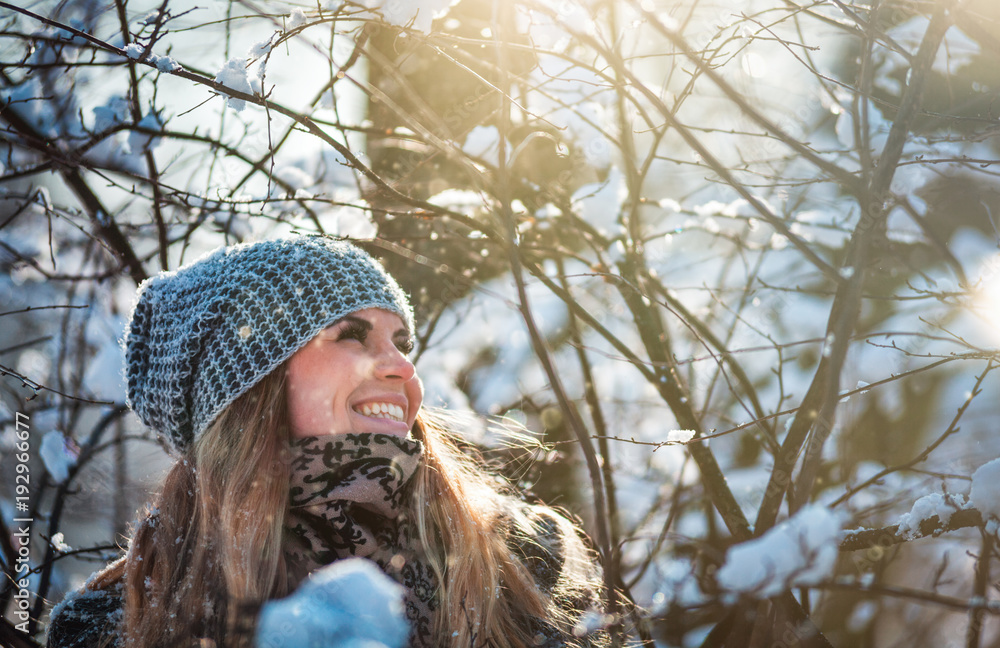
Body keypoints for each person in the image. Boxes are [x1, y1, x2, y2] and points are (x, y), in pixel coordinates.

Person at [46, 235, 607, 648]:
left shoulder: (526, 559)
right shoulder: (117, 622)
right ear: (253, 387)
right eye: (352, 335)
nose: (401, 366)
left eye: (401, 341)